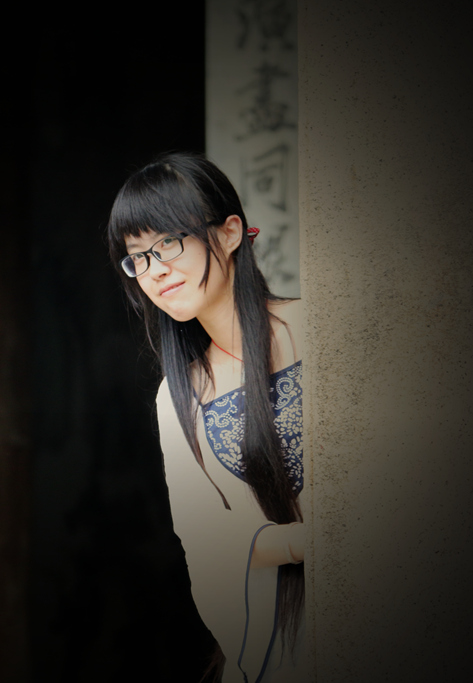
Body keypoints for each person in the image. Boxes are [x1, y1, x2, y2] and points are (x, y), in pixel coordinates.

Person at [106, 152, 307, 682]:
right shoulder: (179, 396)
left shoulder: (318, 329)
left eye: (168, 242)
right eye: (137, 257)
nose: (155, 270)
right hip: (281, 650)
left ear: (230, 232)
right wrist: (308, 541)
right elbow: (207, 544)